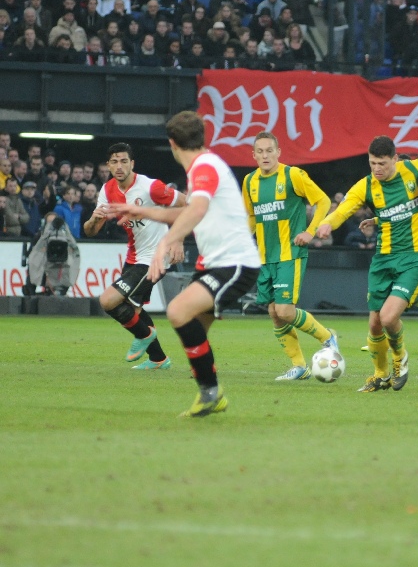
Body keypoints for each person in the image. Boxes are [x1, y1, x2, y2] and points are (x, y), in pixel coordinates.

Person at [109, 111, 260, 417]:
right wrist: (144, 213)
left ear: (173, 144)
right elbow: (188, 211)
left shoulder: (204, 167)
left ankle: (210, 392)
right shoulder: (206, 166)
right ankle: (208, 388)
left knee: (178, 311)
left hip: (235, 263)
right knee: (194, 329)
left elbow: (198, 209)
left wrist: (165, 242)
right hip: (217, 264)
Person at [316, 136, 418, 392]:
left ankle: (400, 358)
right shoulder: (366, 186)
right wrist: (328, 222)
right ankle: (379, 374)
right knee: (374, 322)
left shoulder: (415, 170)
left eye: (382, 163)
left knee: (388, 318)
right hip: (383, 258)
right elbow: (345, 209)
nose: (377, 168)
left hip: (415, 256)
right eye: (373, 163)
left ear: (395, 159)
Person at [241, 132, 340, 381]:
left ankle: (327, 337)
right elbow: (251, 217)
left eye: (269, 150)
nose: (265, 155)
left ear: (278, 152)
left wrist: (310, 231)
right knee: (274, 313)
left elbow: (323, 201)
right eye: (260, 151)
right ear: (253, 155)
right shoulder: (249, 181)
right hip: (265, 258)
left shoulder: (292, 175)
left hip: (290, 253)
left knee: (285, 311)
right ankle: (299, 366)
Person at [84, 142, 187, 371]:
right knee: (132, 311)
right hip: (135, 257)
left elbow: (186, 204)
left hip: (157, 256)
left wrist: (178, 238)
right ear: (108, 165)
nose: (119, 166)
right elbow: (91, 231)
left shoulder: (150, 187)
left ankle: (144, 335)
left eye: (123, 161)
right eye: (114, 161)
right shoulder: (107, 190)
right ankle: (159, 359)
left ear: (132, 164)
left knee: (108, 301)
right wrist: (94, 218)